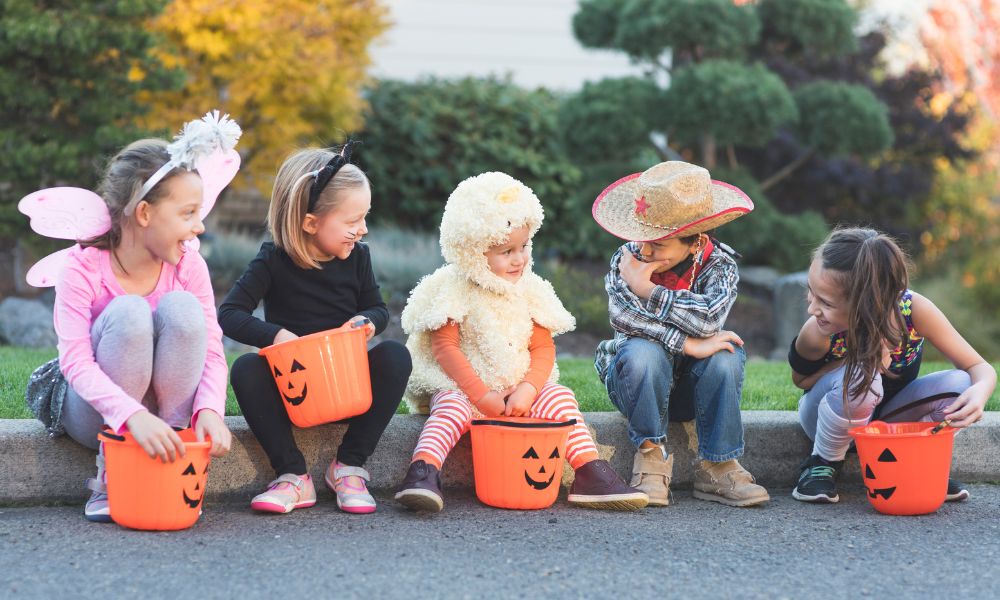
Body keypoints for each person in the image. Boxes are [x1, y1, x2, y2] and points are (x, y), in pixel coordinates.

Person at [23, 111, 241, 521]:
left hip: (165, 406)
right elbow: (76, 363)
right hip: (97, 411)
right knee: (129, 312)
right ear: (143, 214)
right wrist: (130, 414)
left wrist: (209, 408)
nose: (200, 225)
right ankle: (111, 474)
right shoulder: (82, 267)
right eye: (188, 213)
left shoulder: (189, 266)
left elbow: (212, 350)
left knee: (183, 308)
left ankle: (174, 450)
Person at [395, 172, 648, 512]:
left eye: (524, 246)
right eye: (506, 251)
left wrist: (529, 389)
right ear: (472, 251)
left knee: (559, 397)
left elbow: (543, 348)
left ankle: (588, 470)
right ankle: (423, 471)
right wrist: (481, 395)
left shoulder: (529, 288)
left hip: (518, 396)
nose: (519, 258)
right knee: (449, 410)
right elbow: (445, 348)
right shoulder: (455, 288)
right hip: (467, 391)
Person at [218, 144, 411, 515]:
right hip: (296, 393)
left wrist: (368, 321)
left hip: (347, 387)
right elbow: (230, 313)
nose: (363, 229)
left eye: (365, 217)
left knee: (395, 356)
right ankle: (292, 475)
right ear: (310, 223)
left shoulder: (358, 257)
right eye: (353, 220)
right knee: (245, 368)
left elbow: (378, 308)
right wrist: (276, 335)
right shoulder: (273, 260)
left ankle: (350, 466)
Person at [591, 160, 769, 508]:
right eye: (642, 239)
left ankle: (718, 466)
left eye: (658, 245)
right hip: (634, 384)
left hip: (690, 391)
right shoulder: (626, 258)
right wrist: (688, 344)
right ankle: (650, 457)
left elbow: (708, 321)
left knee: (724, 354)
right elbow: (625, 318)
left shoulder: (720, 266)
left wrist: (648, 291)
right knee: (643, 351)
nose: (645, 251)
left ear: (694, 242)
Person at [789, 227, 996, 503]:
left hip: (886, 420)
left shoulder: (914, 312)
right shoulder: (817, 332)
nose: (812, 309)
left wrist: (980, 393)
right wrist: (858, 361)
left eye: (825, 302)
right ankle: (822, 464)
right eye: (811, 293)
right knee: (864, 374)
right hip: (826, 415)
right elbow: (801, 381)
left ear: (867, 302)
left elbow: (979, 367)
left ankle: (916, 460)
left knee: (961, 385)